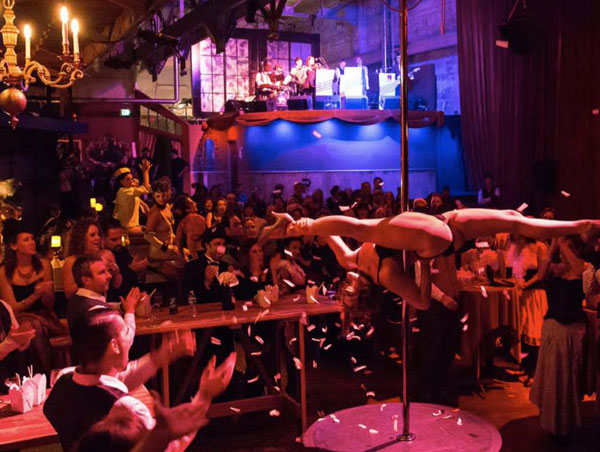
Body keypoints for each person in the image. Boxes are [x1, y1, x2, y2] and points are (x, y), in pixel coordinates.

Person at [45, 307, 234, 451]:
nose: (130, 337)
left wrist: (161, 356)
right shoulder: (127, 409)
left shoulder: (63, 380)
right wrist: (205, 395)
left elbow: (110, 382)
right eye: (125, 332)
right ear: (115, 345)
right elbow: (170, 447)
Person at [530, 236, 587, 437]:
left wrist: (563, 244)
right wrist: (554, 247)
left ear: (576, 249)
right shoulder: (555, 268)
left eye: (568, 247)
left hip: (571, 330)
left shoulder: (583, 268)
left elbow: (580, 271)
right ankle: (552, 423)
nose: (563, 251)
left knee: (566, 379)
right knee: (552, 379)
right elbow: (541, 274)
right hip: (552, 329)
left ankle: (566, 424)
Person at [502, 234, 548, 386]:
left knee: (534, 332)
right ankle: (526, 367)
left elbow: (541, 274)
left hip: (535, 294)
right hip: (521, 294)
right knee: (524, 332)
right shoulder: (516, 246)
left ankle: (534, 373)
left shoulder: (540, 247)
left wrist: (526, 284)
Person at [66, 254, 143, 334]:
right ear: (86, 280)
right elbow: (126, 337)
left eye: (107, 271)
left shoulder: (75, 299)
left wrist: (122, 307)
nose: (109, 276)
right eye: (102, 272)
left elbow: (103, 305)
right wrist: (130, 310)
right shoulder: (96, 310)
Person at [102, 218, 147, 296]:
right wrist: (132, 270)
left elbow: (134, 282)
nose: (119, 242)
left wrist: (140, 273)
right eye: (114, 240)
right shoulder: (102, 258)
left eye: (120, 238)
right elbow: (117, 289)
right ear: (102, 239)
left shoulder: (122, 251)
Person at [62, 218, 104, 299]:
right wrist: (90, 277)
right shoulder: (72, 261)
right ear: (81, 238)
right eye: (93, 235)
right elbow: (68, 293)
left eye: (98, 234)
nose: (98, 238)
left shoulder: (100, 257)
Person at [0, 298, 36, 391]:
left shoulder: (4, 306)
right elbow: (11, 342)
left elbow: (20, 346)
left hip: (10, 376)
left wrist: (23, 338)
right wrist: (11, 342)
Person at [145, 178, 180, 269]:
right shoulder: (155, 212)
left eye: (163, 195)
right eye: (158, 196)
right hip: (159, 251)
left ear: (168, 193)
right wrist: (164, 247)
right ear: (153, 196)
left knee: (190, 253)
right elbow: (147, 235)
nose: (161, 199)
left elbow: (170, 230)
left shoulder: (167, 206)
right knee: (185, 257)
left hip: (170, 247)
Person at [113, 162, 152, 234]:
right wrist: (145, 172)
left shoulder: (123, 191)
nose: (131, 181)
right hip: (128, 227)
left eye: (132, 179)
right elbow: (145, 188)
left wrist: (145, 207)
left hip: (130, 226)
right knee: (152, 233)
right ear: (121, 182)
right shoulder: (125, 191)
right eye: (128, 179)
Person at [173, 195, 207, 260]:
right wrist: (195, 259)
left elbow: (178, 241)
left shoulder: (182, 222)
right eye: (192, 203)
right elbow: (191, 241)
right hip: (201, 255)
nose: (196, 203)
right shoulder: (194, 218)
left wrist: (182, 257)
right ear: (187, 209)